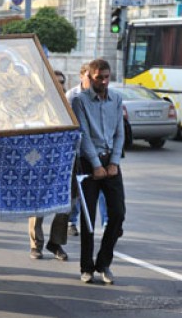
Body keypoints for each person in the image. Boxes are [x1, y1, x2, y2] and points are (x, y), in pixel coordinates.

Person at [72, 58, 125, 285]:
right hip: (88, 164)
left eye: (106, 77)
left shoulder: (116, 98)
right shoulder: (79, 100)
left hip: (111, 163)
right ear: (90, 77)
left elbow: (120, 133)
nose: (104, 81)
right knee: (88, 219)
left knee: (118, 214)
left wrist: (113, 162)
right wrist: (96, 165)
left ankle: (104, 263)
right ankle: (87, 267)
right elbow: (82, 135)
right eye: (99, 78)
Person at [27, 69, 70, 261]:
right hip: (38, 159)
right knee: (38, 204)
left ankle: (56, 243)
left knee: (64, 204)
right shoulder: (35, 105)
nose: (59, 85)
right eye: (55, 81)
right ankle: (36, 245)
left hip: (62, 160)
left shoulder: (69, 105)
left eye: (62, 82)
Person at [66, 63, 109, 237]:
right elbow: (77, 128)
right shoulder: (73, 96)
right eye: (88, 76)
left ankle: (107, 221)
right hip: (78, 151)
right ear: (83, 76)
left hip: (98, 149)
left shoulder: (102, 96)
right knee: (79, 190)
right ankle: (72, 221)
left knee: (103, 189)